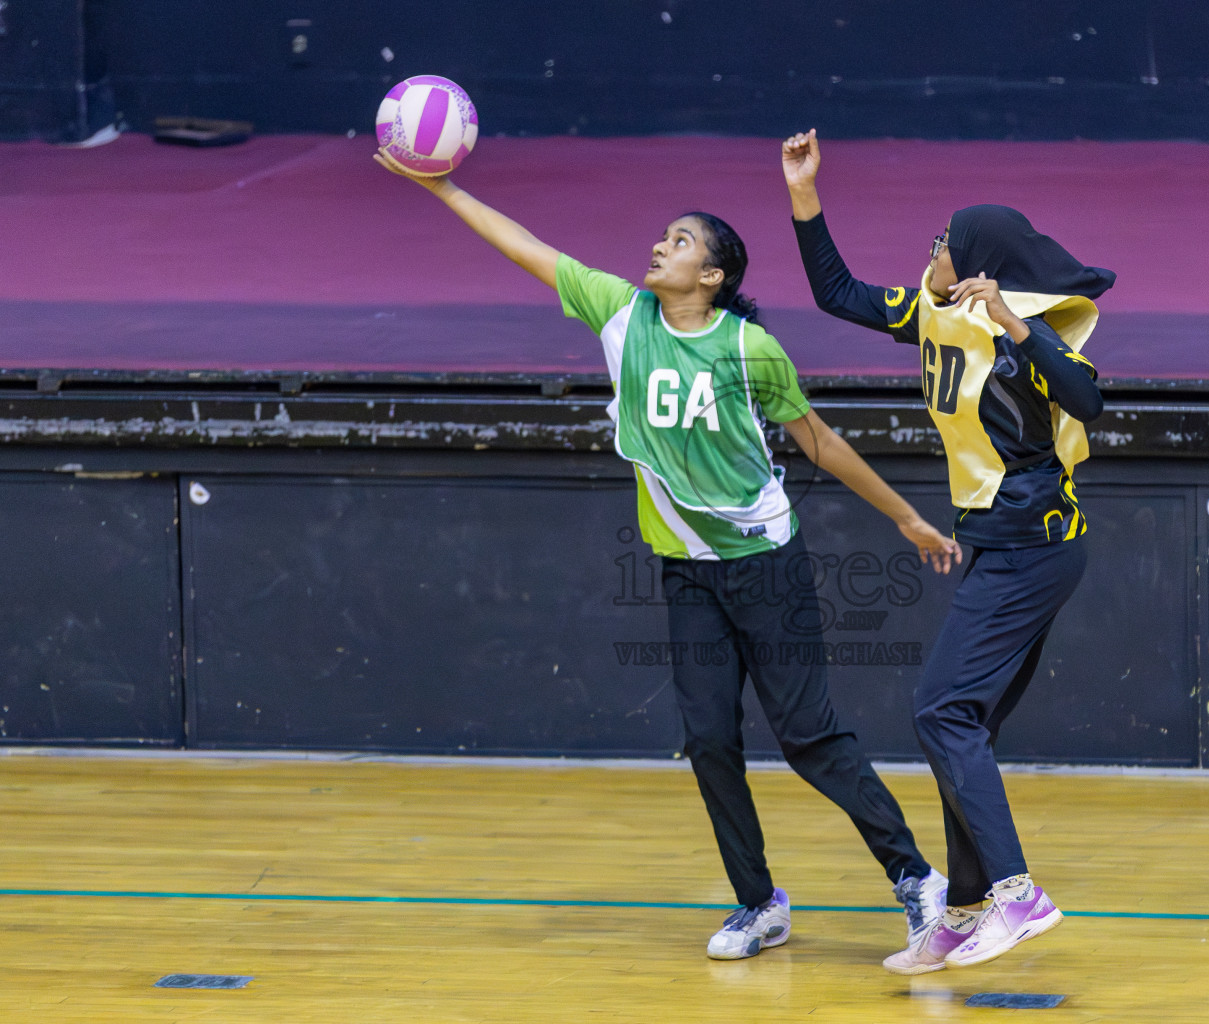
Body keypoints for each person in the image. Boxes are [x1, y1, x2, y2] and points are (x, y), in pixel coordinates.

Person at [375, 150, 957, 961]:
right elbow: (523, 245)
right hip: (686, 571)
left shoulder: (750, 351)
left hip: (765, 564)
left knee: (808, 736)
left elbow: (817, 442)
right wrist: (441, 187)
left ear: (711, 275)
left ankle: (918, 881)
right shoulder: (620, 314)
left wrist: (907, 519)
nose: (659, 246)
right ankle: (759, 904)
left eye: (679, 241)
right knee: (710, 738)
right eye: (662, 236)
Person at [780, 129, 1115, 973]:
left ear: (971, 258)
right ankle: (965, 911)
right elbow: (837, 293)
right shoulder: (930, 311)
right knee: (962, 729)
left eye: (941, 240)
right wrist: (805, 196)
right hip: (999, 548)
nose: (928, 250)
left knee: (941, 712)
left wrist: (1015, 324)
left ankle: (1016, 894)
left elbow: (1089, 397)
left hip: (1034, 548)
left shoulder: (1018, 334)